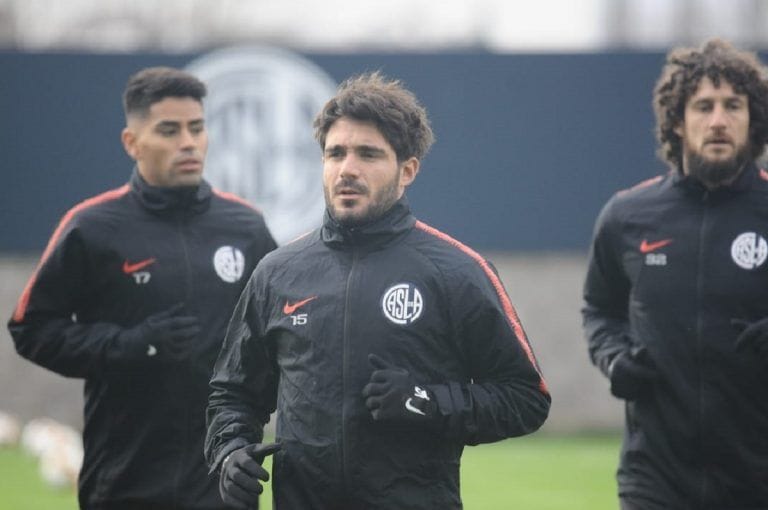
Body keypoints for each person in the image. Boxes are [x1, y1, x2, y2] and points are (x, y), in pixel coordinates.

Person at [204, 71, 551, 509]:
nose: (348, 169)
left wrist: (426, 400)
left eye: (368, 154)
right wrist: (231, 451)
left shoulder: (456, 270)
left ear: (407, 171)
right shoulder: (278, 272)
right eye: (336, 154)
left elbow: (526, 398)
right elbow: (232, 391)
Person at [8, 67, 277, 510]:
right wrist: (131, 344)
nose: (188, 142)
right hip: (123, 479)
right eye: (169, 130)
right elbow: (30, 328)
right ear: (132, 143)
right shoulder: (91, 227)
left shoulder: (245, 227)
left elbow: (279, 331)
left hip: (221, 483)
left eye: (197, 128)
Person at [582, 39, 768, 509]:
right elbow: (600, 310)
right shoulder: (627, 216)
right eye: (703, 106)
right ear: (678, 122)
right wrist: (614, 357)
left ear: (754, 119)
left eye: (733, 106)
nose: (719, 120)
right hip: (656, 476)